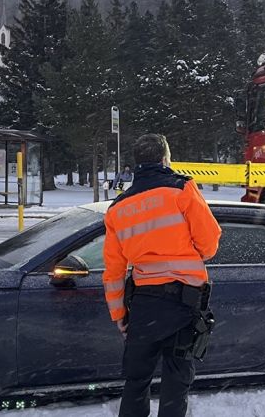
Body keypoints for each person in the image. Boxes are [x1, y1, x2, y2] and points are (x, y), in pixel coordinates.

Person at [102, 134, 222, 417]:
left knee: (136, 380)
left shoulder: (117, 208)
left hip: (144, 307)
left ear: (136, 164)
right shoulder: (182, 189)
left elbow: (113, 273)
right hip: (184, 305)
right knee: (176, 382)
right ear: (165, 159)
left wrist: (121, 317)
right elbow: (210, 244)